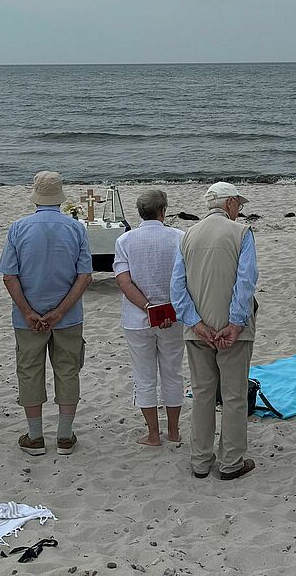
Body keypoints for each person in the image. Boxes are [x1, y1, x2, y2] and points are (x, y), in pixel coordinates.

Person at [0, 171, 93, 456]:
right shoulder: (76, 228)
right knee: (67, 371)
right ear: (60, 196)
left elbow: (9, 276)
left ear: (36, 195)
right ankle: (64, 436)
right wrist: (60, 311)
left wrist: (28, 312)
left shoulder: (18, 227)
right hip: (68, 315)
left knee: (29, 371)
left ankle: (35, 436)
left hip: (28, 316)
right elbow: (85, 276)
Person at [171, 182, 259, 481]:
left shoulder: (188, 235)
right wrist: (234, 323)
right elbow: (245, 283)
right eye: (239, 205)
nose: (240, 211)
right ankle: (231, 462)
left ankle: (200, 460)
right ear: (230, 203)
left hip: (199, 331)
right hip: (231, 329)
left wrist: (195, 323)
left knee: (203, 394)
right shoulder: (241, 233)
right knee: (234, 396)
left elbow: (177, 288)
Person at [113, 189, 186, 447]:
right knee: (173, 373)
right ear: (163, 211)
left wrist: (147, 307)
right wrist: (167, 307)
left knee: (144, 376)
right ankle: (173, 431)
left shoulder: (125, 240)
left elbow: (123, 280)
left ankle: (154, 434)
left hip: (137, 318)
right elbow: (186, 279)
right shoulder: (180, 237)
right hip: (173, 315)